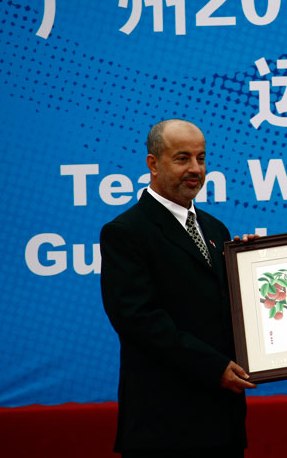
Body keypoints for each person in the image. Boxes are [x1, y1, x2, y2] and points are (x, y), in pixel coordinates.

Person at [100, 119, 256, 458]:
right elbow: (138, 319)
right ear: (153, 164)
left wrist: (255, 266)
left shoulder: (216, 227)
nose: (195, 169)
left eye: (201, 158)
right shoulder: (126, 232)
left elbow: (226, 307)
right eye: (182, 158)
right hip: (165, 424)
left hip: (222, 419)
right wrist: (213, 367)